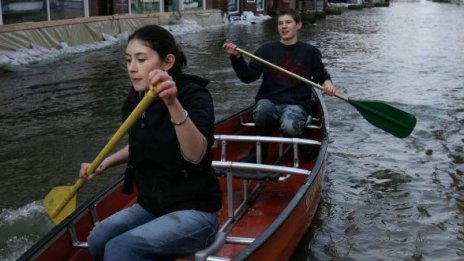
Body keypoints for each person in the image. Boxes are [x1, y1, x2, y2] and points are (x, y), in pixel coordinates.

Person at [78, 25, 222, 260]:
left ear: (167, 62)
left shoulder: (194, 95)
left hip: (195, 210)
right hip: (152, 205)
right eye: (128, 60)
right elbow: (142, 144)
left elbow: (196, 154)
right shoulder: (135, 97)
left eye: (141, 59)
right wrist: (105, 162)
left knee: (120, 248)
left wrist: (172, 103)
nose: (132, 68)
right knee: (98, 240)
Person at [223, 9, 337, 162]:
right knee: (262, 112)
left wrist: (328, 84)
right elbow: (248, 77)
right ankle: (258, 153)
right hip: (269, 100)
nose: (284, 26)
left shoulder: (310, 52)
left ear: (298, 25)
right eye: (280, 23)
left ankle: (304, 143)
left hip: (296, 103)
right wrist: (237, 58)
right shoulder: (266, 50)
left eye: (288, 22)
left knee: (290, 126)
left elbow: (321, 75)